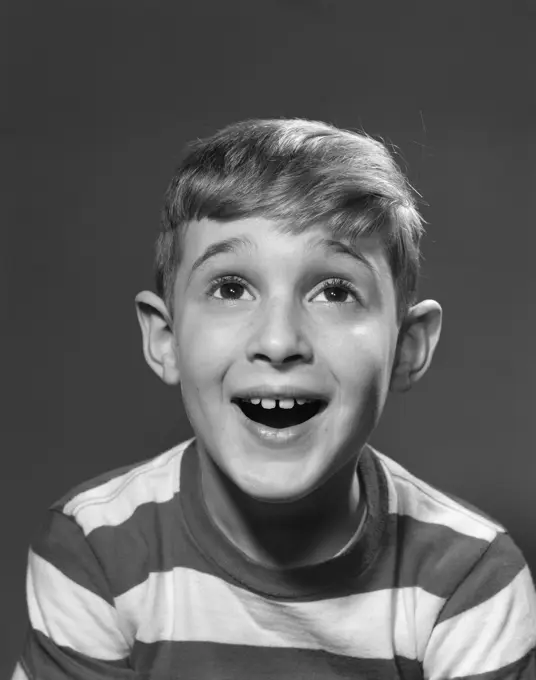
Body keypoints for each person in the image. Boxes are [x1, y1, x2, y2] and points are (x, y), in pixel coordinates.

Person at [12, 118, 536, 680]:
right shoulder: (95, 549)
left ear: (406, 347)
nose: (279, 341)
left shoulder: (471, 578)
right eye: (231, 288)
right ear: (166, 340)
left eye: (335, 291)